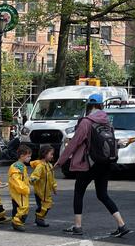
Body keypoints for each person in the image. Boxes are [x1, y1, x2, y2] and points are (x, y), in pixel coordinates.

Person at [55, 93, 129, 237]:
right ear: (101, 105)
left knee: (79, 192)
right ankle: (122, 224)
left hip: (89, 163)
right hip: (105, 162)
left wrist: (61, 160)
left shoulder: (86, 122)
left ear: (89, 105)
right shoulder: (107, 121)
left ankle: (77, 226)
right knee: (102, 195)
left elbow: (74, 143)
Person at [30, 145, 57, 228]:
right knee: (42, 207)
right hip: (39, 191)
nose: (52, 156)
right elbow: (35, 175)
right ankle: (39, 219)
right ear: (44, 154)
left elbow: (52, 178)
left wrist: (54, 187)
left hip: (47, 192)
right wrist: (33, 179)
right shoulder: (40, 166)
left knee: (47, 206)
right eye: (51, 154)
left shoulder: (49, 165)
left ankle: (39, 218)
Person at [8, 145, 32, 232]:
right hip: (19, 192)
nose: (30, 158)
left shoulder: (21, 166)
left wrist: (30, 181)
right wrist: (24, 188)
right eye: (28, 156)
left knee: (21, 207)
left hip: (21, 191)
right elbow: (16, 180)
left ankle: (18, 222)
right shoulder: (16, 166)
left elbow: (23, 178)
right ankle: (17, 222)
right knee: (22, 207)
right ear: (22, 156)